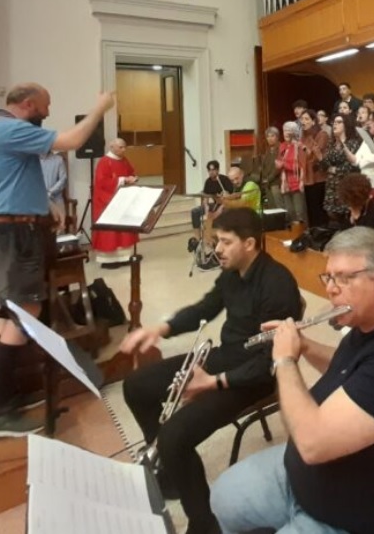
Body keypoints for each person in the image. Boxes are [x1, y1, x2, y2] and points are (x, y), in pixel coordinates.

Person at [210, 227, 374, 534]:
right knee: (223, 496)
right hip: (307, 477)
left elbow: (311, 444)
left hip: (352, 515)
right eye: (328, 277)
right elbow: (350, 369)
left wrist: (285, 361)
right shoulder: (369, 322)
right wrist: (305, 346)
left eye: (343, 278)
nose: (331, 289)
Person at [121, 208, 302, 534]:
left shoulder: (277, 283)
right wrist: (160, 329)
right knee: (135, 386)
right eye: (216, 240)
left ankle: (204, 524)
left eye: (225, 242)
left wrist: (213, 383)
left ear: (249, 243)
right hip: (226, 357)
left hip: (255, 376)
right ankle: (171, 472)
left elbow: (269, 364)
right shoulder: (232, 272)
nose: (217, 249)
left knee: (174, 436)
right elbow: (205, 308)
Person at [0, 82, 114, 438]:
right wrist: (100, 109)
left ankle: (3, 399)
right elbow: (72, 141)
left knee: (8, 316)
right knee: (25, 312)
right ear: (28, 104)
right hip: (12, 234)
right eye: (45, 106)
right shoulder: (10, 129)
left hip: (6, 230)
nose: (47, 113)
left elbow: (14, 179)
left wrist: (46, 204)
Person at [92, 138, 139, 268]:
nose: (124, 150)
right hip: (107, 201)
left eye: (124, 147)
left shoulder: (124, 160)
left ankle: (124, 257)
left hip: (122, 199)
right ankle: (108, 260)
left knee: (124, 230)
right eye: (120, 147)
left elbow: (131, 172)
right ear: (112, 147)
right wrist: (123, 180)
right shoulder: (104, 162)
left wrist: (133, 178)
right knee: (110, 232)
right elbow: (102, 182)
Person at [317, 112, 361, 224]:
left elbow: (351, 166)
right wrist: (320, 158)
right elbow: (324, 167)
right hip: (331, 186)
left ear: (346, 125)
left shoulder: (352, 143)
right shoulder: (331, 144)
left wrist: (334, 169)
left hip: (345, 184)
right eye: (334, 122)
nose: (335, 124)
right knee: (332, 215)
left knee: (346, 217)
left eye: (339, 122)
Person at [279, 120, 307, 224]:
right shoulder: (282, 146)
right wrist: (279, 165)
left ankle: (301, 232)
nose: (286, 133)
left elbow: (302, 166)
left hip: (297, 181)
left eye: (289, 130)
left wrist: (284, 165)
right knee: (289, 212)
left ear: (294, 132)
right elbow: (279, 163)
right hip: (285, 183)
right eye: (284, 130)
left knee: (299, 213)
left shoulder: (299, 146)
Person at [258, 127, 284, 209]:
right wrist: (264, 178)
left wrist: (269, 178)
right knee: (271, 207)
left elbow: (279, 167)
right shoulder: (268, 150)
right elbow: (264, 166)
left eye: (272, 136)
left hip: (277, 182)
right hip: (267, 183)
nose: (270, 138)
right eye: (268, 136)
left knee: (279, 206)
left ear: (277, 137)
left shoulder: (281, 148)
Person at [39, 150, 67, 219]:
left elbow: (63, 179)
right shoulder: (33, 162)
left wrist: (50, 192)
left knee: (60, 222)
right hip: (39, 200)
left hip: (56, 198)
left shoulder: (58, 160)